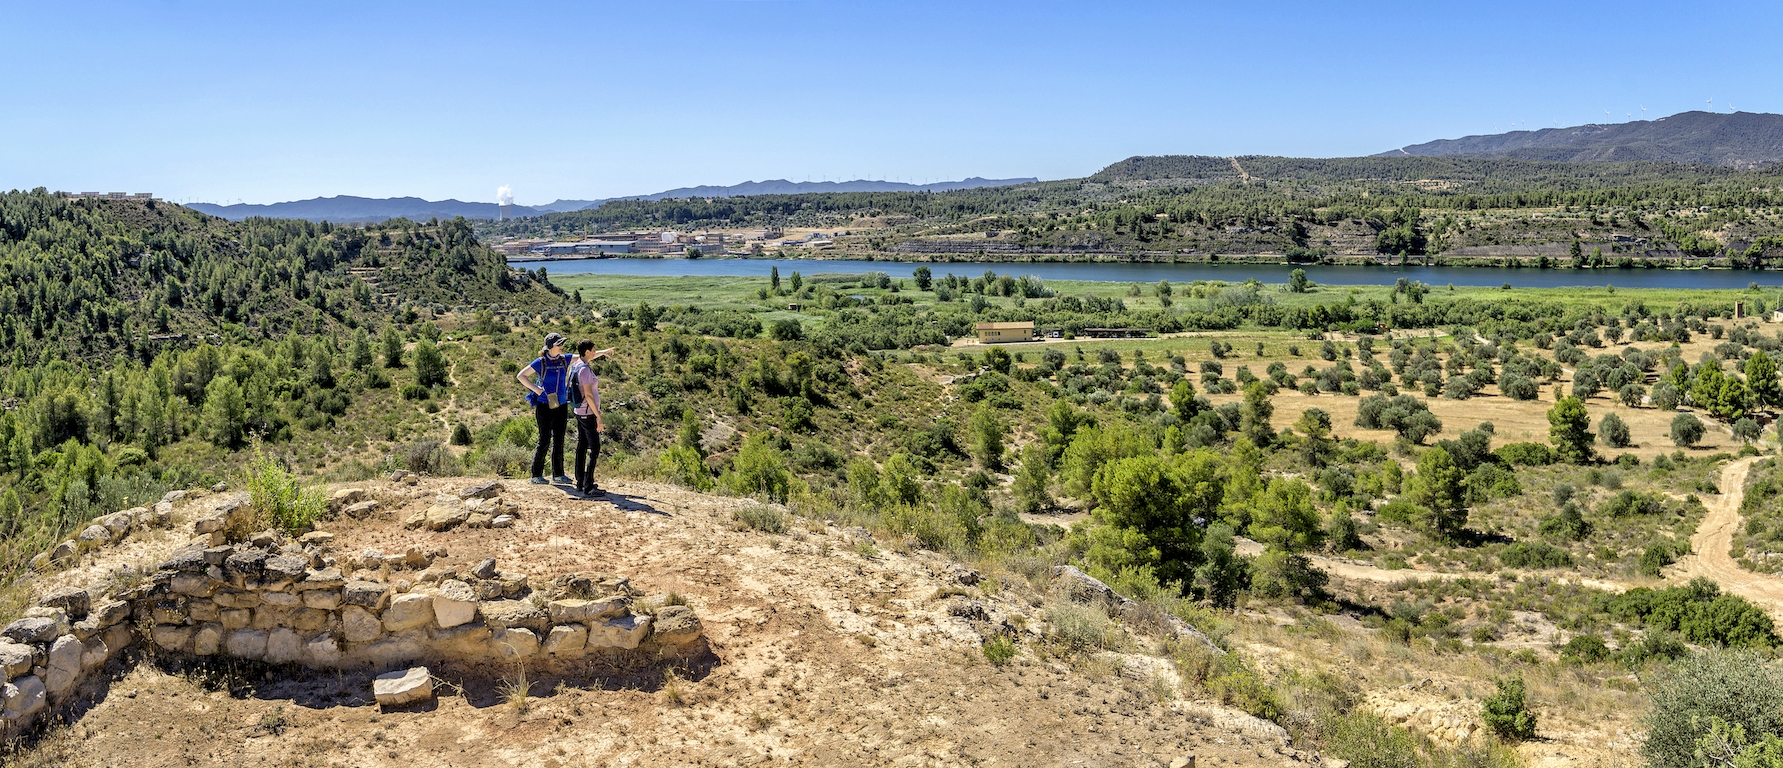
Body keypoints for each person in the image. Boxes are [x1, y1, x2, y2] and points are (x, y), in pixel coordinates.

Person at [517, 332, 576, 485]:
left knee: (559, 440)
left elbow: (584, 357)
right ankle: (536, 475)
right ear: (550, 347)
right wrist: (536, 390)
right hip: (544, 405)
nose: (561, 347)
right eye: (559, 344)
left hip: (561, 405)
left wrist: (603, 352)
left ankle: (558, 475)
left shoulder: (564, 359)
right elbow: (521, 376)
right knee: (544, 439)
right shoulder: (541, 362)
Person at [569, 340, 616, 495]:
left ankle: (580, 481)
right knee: (594, 448)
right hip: (588, 413)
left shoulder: (576, 365)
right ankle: (588, 486)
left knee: (581, 446)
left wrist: (605, 352)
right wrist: (598, 417)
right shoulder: (585, 371)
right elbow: (588, 395)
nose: (595, 352)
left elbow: (593, 357)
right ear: (587, 351)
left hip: (579, 412)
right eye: (594, 350)